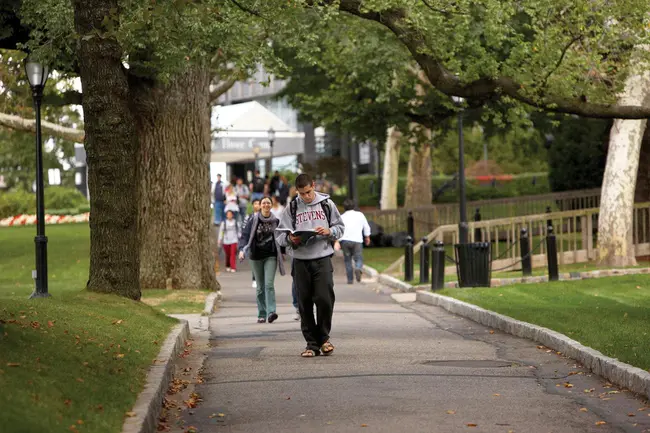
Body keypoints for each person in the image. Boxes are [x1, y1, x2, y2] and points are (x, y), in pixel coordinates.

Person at [275, 173, 345, 358]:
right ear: (296, 191)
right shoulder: (292, 207)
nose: (306, 196)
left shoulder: (327, 204)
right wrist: (291, 239)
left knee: (324, 299)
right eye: (302, 193)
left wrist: (329, 231)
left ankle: (324, 338)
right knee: (304, 303)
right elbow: (280, 236)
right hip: (300, 260)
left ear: (313, 185)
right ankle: (312, 344)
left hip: (322, 258)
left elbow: (340, 228)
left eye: (308, 192)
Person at [239, 197, 286, 323]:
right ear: (260, 205)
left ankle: (271, 312)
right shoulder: (253, 219)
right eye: (263, 203)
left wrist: (282, 252)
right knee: (260, 287)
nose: (266, 205)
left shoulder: (276, 221)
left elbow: (282, 237)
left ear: (271, 205)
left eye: (268, 203)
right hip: (255, 256)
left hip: (271, 255)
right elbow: (245, 236)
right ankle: (261, 313)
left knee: (269, 284)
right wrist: (242, 250)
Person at [338, 199, 371, 284]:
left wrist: (337, 241)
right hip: (357, 241)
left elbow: (339, 229)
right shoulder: (360, 215)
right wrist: (367, 236)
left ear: (344, 207)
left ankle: (350, 279)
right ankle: (358, 268)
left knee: (347, 260)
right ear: (354, 206)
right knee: (358, 257)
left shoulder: (342, 217)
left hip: (345, 241)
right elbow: (366, 227)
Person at [239, 199, 262, 288]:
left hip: (263, 244)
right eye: (255, 204)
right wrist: (243, 247)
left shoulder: (265, 216)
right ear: (252, 206)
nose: (257, 205)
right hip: (252, 244)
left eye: (258, 203)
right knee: (254, 261)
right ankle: (254, 278)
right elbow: (244, 231)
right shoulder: (249, 217)